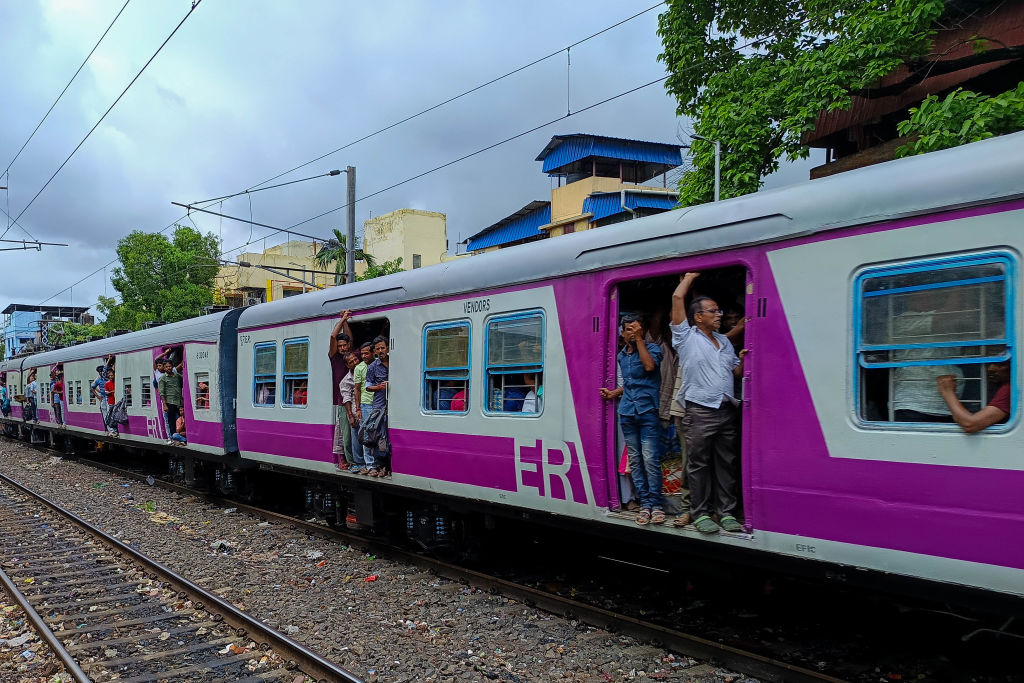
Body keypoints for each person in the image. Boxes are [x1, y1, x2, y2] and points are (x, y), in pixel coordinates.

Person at [670, 272, 747, 534]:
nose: (719, 315)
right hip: (700, 411)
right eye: (713, 311)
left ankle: (726, 513)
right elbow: (678, 296)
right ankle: (700, 513)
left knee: (726, 462)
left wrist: (744, 358)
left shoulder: (724, 341)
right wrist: (691, 276)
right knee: (698, 465)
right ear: (697, 317)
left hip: (725, 409)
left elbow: (734, 373)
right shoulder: (685, 337)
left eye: (719, 310)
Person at [601, 313, 665, 526]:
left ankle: (657, 505)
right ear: (622, 332)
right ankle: (645, 504)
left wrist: (639, 341)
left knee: (650, 460)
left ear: (643, 330)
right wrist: (614, 393)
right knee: (636, 461)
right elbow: (630, 384)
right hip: (627, 412)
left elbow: (649, 367)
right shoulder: (622, 356)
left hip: (647, 412)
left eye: (636, 329)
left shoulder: (654, 349)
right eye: (629, 329)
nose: (632, 332)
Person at [936, 360, 1011, 433]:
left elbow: (970, 424)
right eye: (989, 363)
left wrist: (947, 391)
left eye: (1002, 365)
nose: (990, 369)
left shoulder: (1009, 389)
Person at [329, 310, 355, 459]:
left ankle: (350, 459)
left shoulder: (350, 356)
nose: (343, 348)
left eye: (345, 345)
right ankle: (344, 460)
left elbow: (350, 338)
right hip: (341, 400)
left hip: (354, 398)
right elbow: (333, 336)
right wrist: (343, 319)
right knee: (344, 432)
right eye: (340, 346)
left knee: (351, 431)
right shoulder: (334, 357)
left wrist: (345, 321)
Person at [364, 336, 391, 477]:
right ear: (374, 351)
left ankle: (390, 466)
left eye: (383, 348)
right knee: (381, 436)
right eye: (378, 349)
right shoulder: (372, 367)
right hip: (380, 405)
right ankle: (382, 466)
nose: (381, 351)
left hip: (395, 403)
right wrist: (379, 387)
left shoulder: (395, 362)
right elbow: (367, 387)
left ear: (387, 348)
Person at [352, 342, 373, 474]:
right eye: (362, 353)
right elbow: (357, 390)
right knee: (366, 434)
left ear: (372, 353)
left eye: (366, 353)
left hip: (378, 403)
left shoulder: (378, 364)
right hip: (365, 404)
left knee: (377, 434)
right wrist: (358, 409)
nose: (364, 356)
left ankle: (377, 463)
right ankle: (370, 464)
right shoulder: (359, 368)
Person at [339, 351, 361, 471]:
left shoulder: (365, 371)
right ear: (347, 366)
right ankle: (353, 463)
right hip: (353, 411)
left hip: (366, 409)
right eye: (351, 362)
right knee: (350, 439)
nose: (354, 363)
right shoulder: (345, 381)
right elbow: (346, 399)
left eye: (355, 360)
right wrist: (350, 416)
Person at [157, 359, 184, 446]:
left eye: (169, 366)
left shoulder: (177, 376)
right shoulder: (163, 379)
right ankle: (173, 438)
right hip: (169, 403)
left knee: (179, 420)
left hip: (178, 402)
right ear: (164, 368)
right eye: (166, 367)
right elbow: (161, 393)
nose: (168, 368)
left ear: (172, 367)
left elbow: (184, 381)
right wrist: (165, 405)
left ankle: (179, 437)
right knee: (171, 422)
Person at [103, 368, 119, 436]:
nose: (111, 377)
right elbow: (106, 393)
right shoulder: (107, 384)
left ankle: (117, 430)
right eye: (109, 375)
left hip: (117, 402)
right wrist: (113, 391)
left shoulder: (117, 382)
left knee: (117, 416)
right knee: (112, 417)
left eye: (112, 375)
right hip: (111, 402)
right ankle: (114, 430)